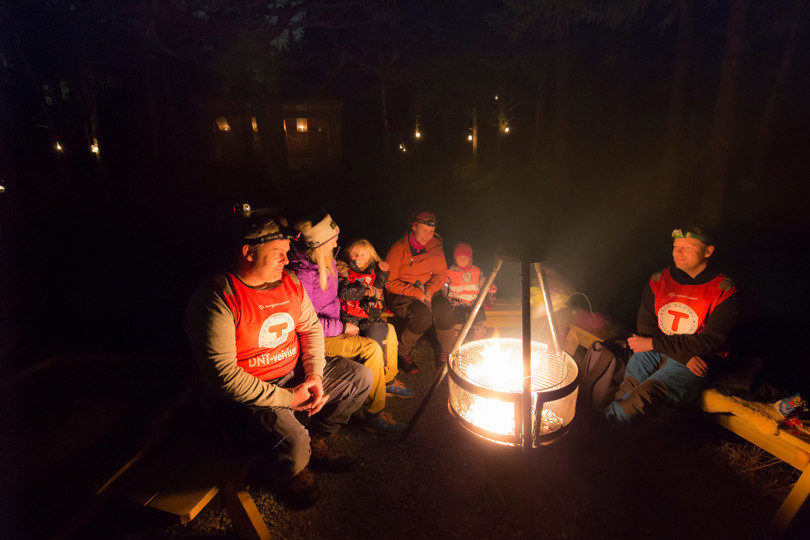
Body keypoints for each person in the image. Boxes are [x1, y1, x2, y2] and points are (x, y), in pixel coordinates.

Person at [183, 212, 372, 507]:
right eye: (279, 254)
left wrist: (314, 376)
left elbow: (310, 329)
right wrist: (288, 398)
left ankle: (316, 439)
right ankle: (287, 468)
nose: (287, 260)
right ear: (248, 252)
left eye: (287, 253)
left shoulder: (290, 283)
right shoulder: (216, 299)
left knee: (360, 377)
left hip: (293, 374)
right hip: (252, 393)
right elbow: (223, 378)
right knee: (294, 445)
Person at [287, 212, 412, 434]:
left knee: (389, 330)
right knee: (371, 348)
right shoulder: (303, 274)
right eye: (333, 240)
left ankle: (387, 380)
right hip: (316, 338)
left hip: (334, 324)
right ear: (320, 244)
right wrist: (344, 327)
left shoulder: (326, 261)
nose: (338, 243)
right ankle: (374, 415)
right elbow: (304, 323)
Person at [605, 226, 739, 423]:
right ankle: (618, 432)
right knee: (631, 386)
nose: (678, 252)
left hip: (698, 357)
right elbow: (647, 327)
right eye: (676, 247)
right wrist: (676, 352)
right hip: (674, 351)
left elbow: (709, 341)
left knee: (649, 392)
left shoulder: (724, 289)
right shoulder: (659, 279)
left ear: (708, 251)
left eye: (688, 247)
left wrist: (660, 347)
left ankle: (603, 426)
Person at [384, 211, 455, 373]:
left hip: (428, 289)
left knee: (445, 310)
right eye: (424, 231)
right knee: (422, 316)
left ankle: (445, 350)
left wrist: (429, 290)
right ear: (414, 227)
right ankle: (402, 352)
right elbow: (390, 283)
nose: (428, 236)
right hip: (402, 292)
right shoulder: (398, 249)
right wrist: (416, 293)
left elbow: (441, 274)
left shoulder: (435, 246)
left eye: (431, 232)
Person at [337, 239, 409, 398]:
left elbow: (378, 284)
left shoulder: (371, 270)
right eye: (355, 253)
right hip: (349, 317)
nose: (358, 257)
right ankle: (370, 381)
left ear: (370, 257)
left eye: (363, 254)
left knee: (382, 332)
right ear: (349, 254)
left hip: (367, 315)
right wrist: (364, 291)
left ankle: (384, 378)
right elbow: (344, 293)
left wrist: (384, 272)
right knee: (365, 344)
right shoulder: (345, 271)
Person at [444, 242, 497, 340]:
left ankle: (479, 337)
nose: (462, 260)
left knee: (480, 316)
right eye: (459, 257)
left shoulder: (476, 271)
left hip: (474, 302)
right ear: (455, 259)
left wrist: (490, 287)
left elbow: (483, 281)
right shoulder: (450, 272)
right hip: (457, 302)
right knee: (459, 318)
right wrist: (444, 297)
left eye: (465, 258)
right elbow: (444, 285)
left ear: (470, 258)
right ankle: (457, 339)